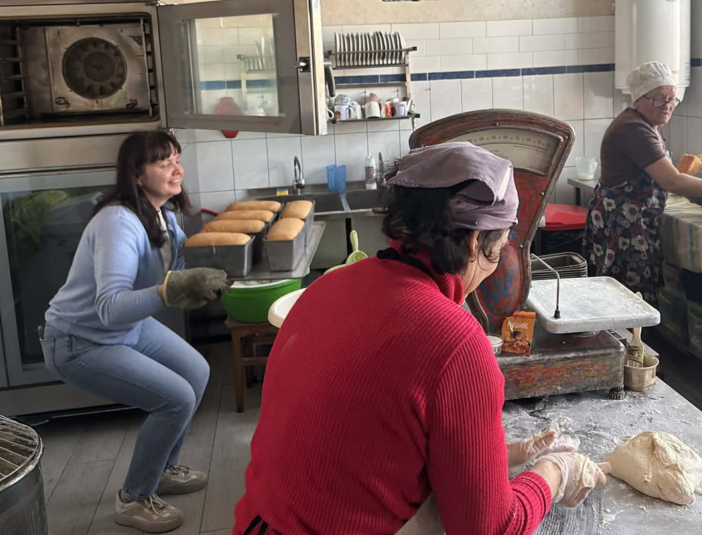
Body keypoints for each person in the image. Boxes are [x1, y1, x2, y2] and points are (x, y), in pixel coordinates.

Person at [233, 142, 608, 535]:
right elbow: (490, 529)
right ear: (476, 242)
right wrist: (553, 473)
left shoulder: (328, 287)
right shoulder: (455, 342)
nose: (494, 265)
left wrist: (495, 458)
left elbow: (362, 440)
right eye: (498, 248)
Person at [41, 130, 231, 533]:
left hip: (123, 329)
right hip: (79, 340)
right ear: (137, 175)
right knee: (176, 398)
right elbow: (110, 308)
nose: (177, 169)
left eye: (177, 159)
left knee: (196, 372)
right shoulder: (118, 222)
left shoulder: (163, 214)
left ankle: (160, 469)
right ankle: (134, 497)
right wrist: (172, 289)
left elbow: (177, 271)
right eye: (164, 163)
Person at [584, 61, 702, 301]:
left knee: (628, 296)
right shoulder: (634, 129)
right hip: (623, 226)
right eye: (659, 100)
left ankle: (631, 339)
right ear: (639, 99)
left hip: (633, 222)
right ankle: (629, 340)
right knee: (628, 298)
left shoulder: (646, 123)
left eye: (672, 99)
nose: (667, 106)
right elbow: (671, 181)